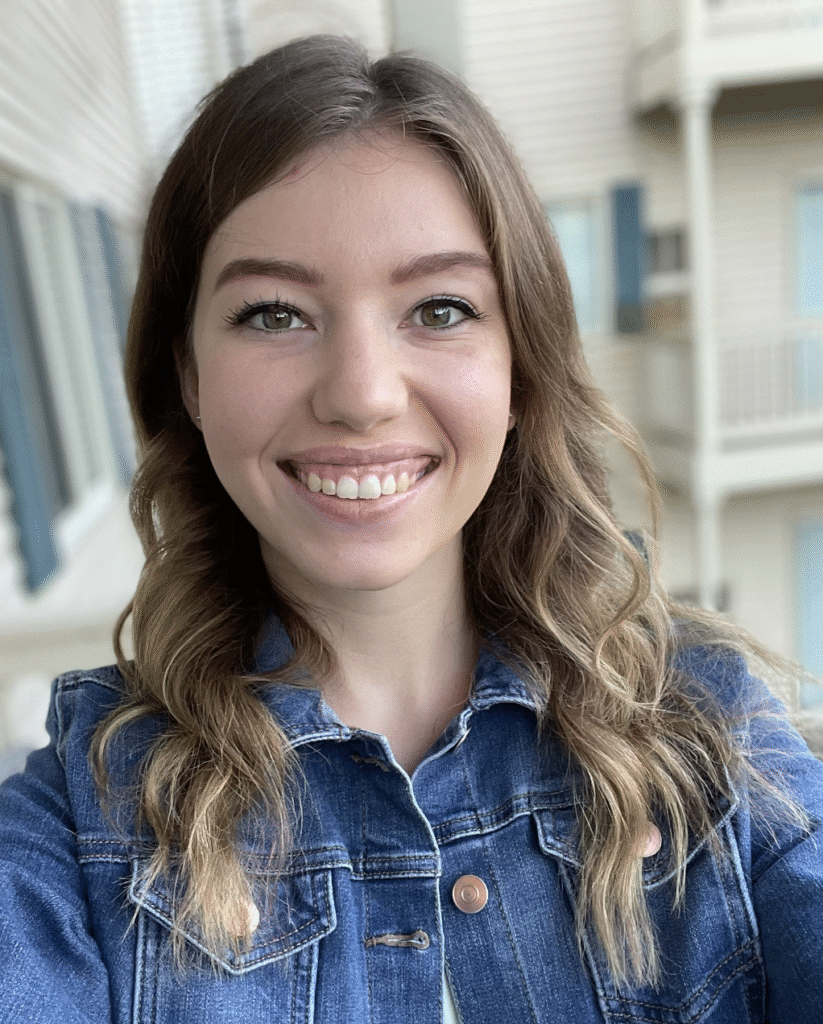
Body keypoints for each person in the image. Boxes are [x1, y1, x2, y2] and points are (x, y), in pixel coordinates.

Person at [0, 34, 821, 1024]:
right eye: (272, 313)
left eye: (438, 307)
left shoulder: (711, 734)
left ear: (520, 369)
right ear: (187, 375)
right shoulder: (80, 824)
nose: (360, 395)